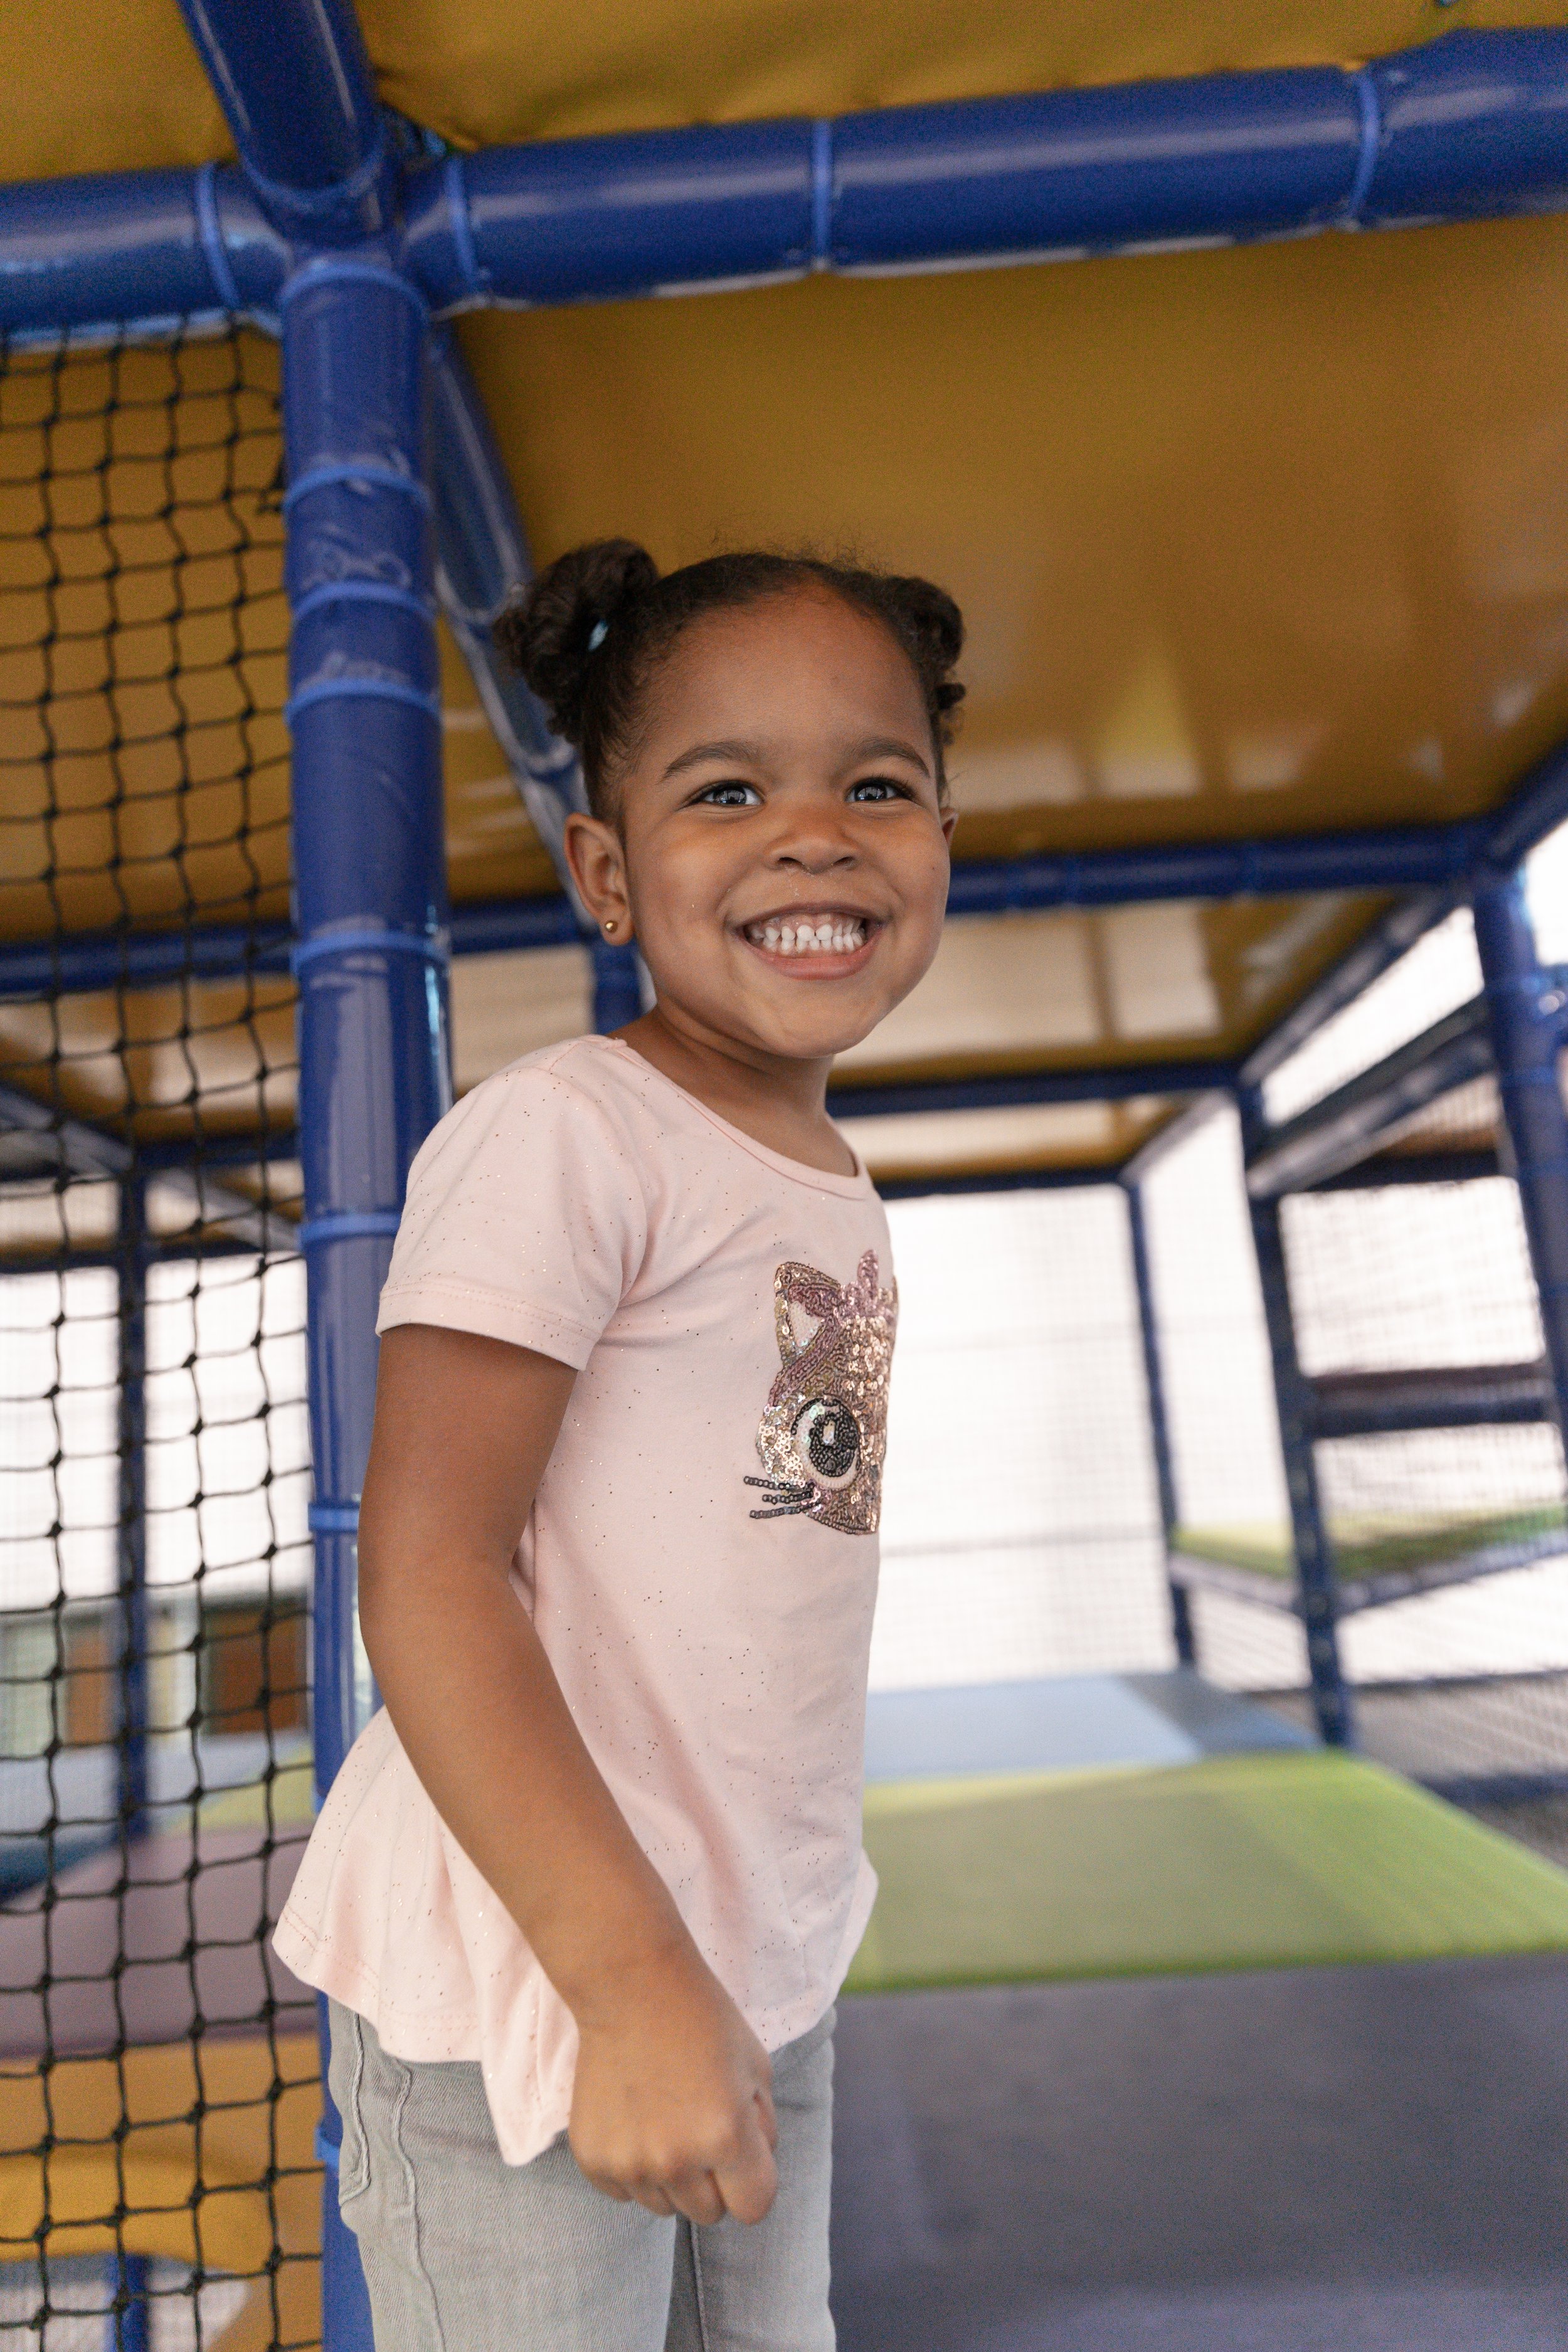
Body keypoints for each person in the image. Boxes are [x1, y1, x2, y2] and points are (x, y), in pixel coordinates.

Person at [275, 539, 964, 2349]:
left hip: (748, 1960)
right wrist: (627, 1974)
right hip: (538, 1979)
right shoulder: (567, 1134)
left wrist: (732, 1959)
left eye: (875, 785)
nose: (813, 834)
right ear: (605, 871)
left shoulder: (827, 1182)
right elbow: (428, 1568)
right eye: (726, 790)